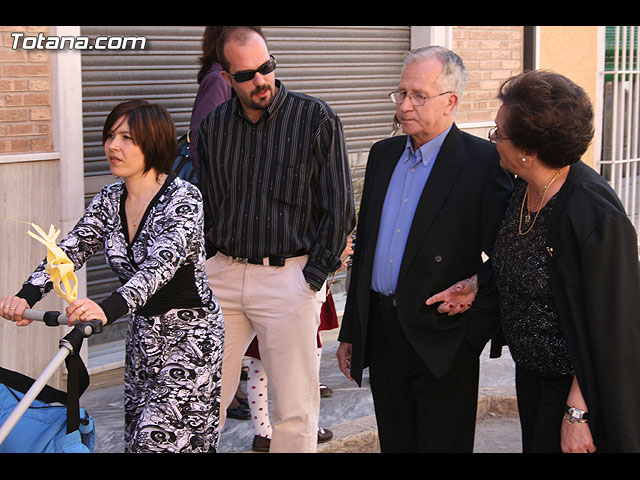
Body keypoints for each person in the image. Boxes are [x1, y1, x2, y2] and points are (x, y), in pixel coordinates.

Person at [430, 70, 640, 453]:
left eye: (499, 133)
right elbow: (525, 258)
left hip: (578, 388)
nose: (493, 141)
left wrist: (578, 413)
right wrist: (477, 284)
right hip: (532, 374)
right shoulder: (524, 188)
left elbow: (615, 327)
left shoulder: (593, 214)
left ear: (529, 148)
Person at [0, 100, 224, 453]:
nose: (113, 146)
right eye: (110, 136)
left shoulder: (184, 198)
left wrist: (106, 308)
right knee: (138, 441)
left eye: (127, 138)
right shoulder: (110, 197)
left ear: (153, 143)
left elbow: (159, 267)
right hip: (143, 340)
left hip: (191, 339)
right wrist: (26, 295)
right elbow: (70, 251)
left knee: (157, 438)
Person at [336, 46, 513, 453]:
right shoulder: (383, 155)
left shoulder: (483, 162)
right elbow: (365, 251)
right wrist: (353, 332)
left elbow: (506, 254)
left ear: (451, 101)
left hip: (443, 335)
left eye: (418, 95)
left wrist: (472, 327)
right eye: (400, 93)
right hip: (383, 334)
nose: (404, 104)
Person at [197, 26, 355, 453]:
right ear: (228, 78)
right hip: (224, 278)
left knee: (294, 410)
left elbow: (340, 206)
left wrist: (314, 276)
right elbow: (208, 205)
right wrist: (211, 264)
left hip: (289, 278)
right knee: (202, 398)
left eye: (266, 67)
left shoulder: (315, 118)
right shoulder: (214, 127)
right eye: (246, 74)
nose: (261, 80)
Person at [189, 25, 251, 422]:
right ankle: (228, 394)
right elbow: (204, 144)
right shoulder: (217, 80)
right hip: (225, 218)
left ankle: (237, 389)